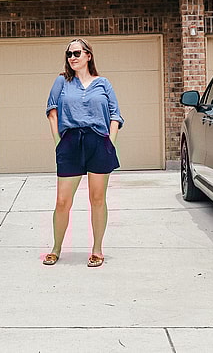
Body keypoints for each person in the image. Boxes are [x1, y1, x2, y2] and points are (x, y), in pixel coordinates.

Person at [43, 38, 124, 268]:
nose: (72, 57)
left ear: (88, 55)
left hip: (98, 142)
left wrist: (110, 143)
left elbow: (115, 115)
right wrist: (59, 142)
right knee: (62, 201)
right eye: (69, 54)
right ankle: (56, 248)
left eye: (77, 53)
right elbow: (52, 111)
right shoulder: (62, 82)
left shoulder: (103, 83)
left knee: (97, 199)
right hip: (70, 142)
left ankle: (97, 249)